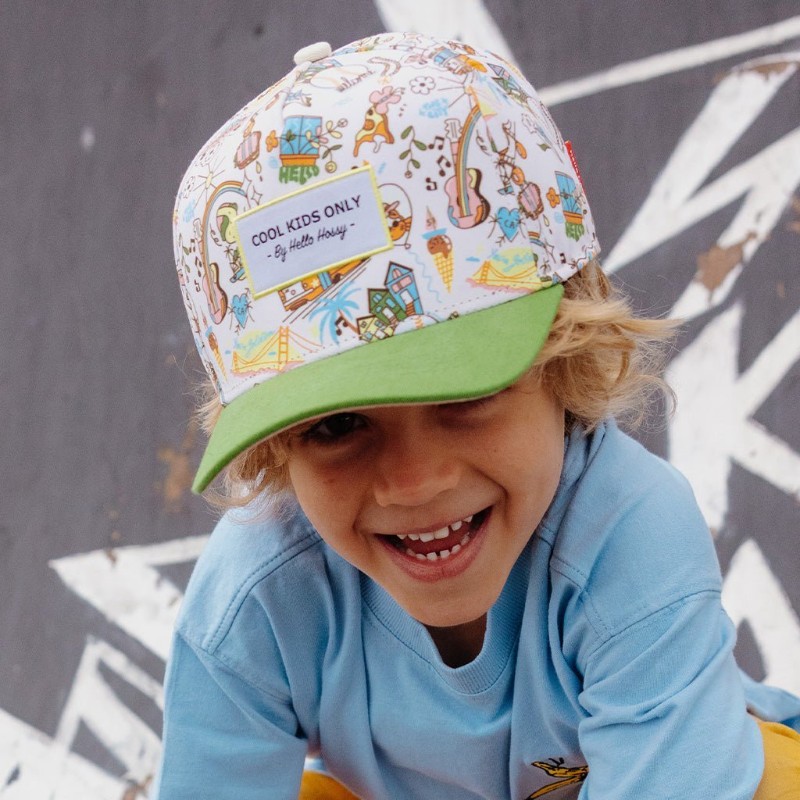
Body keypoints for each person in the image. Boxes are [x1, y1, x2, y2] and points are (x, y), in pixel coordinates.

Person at [155, 31, 800, 799]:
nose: (414, 480)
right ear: (276, 454)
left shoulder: (629, 532)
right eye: (336, 426)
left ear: (563, 358)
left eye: (463, 396)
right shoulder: (257, 594)